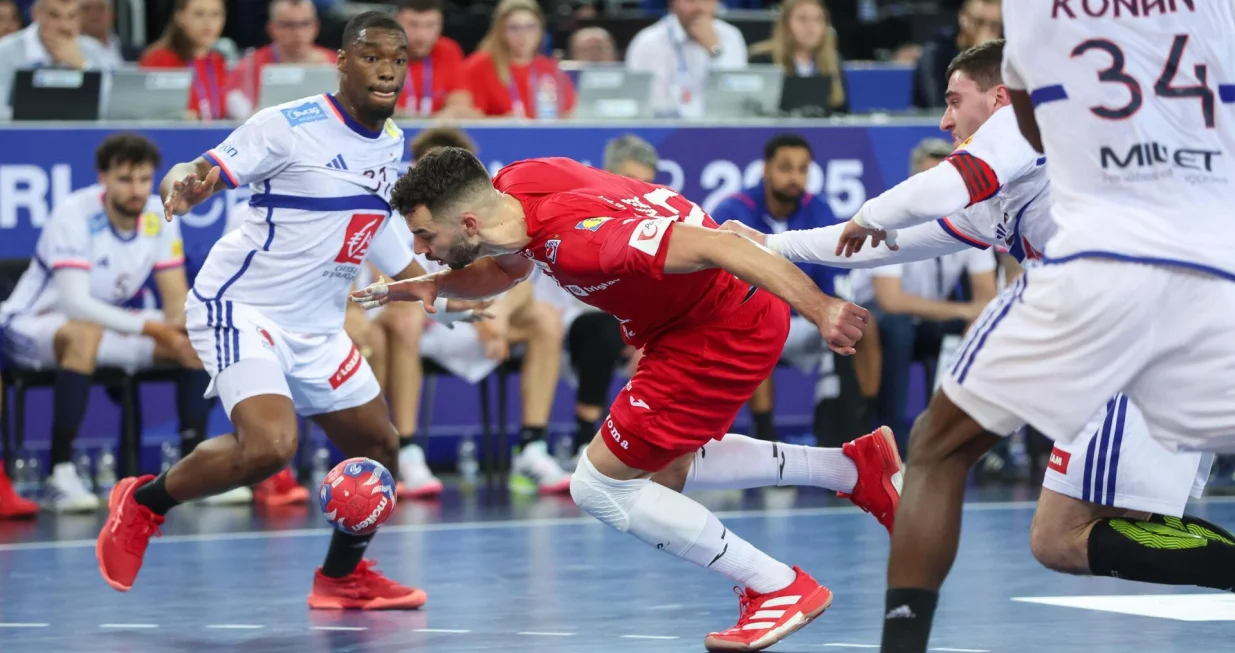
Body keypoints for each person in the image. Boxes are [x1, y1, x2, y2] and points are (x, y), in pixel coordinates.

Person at [729, 26, 1235, 650]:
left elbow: (933, 192)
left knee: (970, 469)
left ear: (998, 97)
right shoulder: (1019, 173)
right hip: (1147, 313)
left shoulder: (1030, 115)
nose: (944, 120)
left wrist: (871, 211)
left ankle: (903, 639)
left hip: (1141, 317)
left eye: (952, 99)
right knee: (1060, 537)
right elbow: (889, 244)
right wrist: (768, 245)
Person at [354, 149, 901, 651]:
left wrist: (820, 307)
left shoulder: (584, 245)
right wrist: (436, 285)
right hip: (686, 324)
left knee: (597, 487)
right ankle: (852, 470)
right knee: (660, 473)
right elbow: (506, 266)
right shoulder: (515, 185)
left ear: (468, 223)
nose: (420, 251)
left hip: (722, 328)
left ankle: (777, 588)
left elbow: (721, 245)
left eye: (425, 237)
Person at [94, 11, 481, 609]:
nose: (386, 71)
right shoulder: (287, 124)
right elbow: (208, 170)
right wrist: (187, 176)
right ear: (343, 61)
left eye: (397, 59)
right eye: (372, 57)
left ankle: (341, 578)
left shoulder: (393, 142)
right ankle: (144, 503)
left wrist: (429, 288)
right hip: (242, 307)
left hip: (318, 325)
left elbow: (375, 229)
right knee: (270, 446)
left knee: (379, 448)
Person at [0, 134, 211, 512]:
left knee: (197, 338)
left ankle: (193, 470)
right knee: (85, 333)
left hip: (108, 326)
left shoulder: (158, 214)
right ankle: (59, 475)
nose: (136, 190)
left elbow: (175, 302)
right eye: (125, 179)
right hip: (31, 325)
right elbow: (74, 303)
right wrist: (154, 329)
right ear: (103, 178)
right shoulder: (73, 214)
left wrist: (179, 331)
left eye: (144, 180)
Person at [712, 133, 868, 446]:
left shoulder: (819, 209)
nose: (795, 177)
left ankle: (861, 430)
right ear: (766, 170)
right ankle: (766, 436)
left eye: (802, 169)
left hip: (807, 322)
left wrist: (828, 315)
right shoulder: (734, 210)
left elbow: (833, 279)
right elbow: (730, 287)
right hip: (754, 322)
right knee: (758, 324)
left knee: (864, 327)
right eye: (785, 168)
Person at [867, 138, 997, 453]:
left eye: (945, 180)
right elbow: (890, 299)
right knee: (898, 330)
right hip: (878, 321)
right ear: (913, 183)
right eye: (929, 179)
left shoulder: (972, 219)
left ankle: (967, 439)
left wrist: (973, 319)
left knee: (987, 326)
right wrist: (966, 310)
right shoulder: (890, 217)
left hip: (930, 321)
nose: (937, 190)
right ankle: (894, 443)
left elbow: (988, 298)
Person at [625, 0, 747, 118]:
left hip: (719, 129)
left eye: (706, 1)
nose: (699, 8)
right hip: (666, 130)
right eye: (690, 1)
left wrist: (714, 51)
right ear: (672, 3)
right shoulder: (647, 42)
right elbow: (640, 103)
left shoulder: (731, 37)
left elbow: (736, 98)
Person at [0, 0, 117, 121]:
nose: (64, 26)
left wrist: (83, 66)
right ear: (36, 14)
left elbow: (111, 109)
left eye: (72, 16)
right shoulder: (4, 52)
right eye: (54, 16)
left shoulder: (92, 50)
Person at [222, 0, 337, 119]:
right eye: (288, 25)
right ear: (272, 28)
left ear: (316, 27)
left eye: (305, 23)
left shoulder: (337, 64)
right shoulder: (250, 66)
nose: (298, 32)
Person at [462, 0, 575, 119]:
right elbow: (468, 117)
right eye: (514, 28)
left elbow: (569, 114)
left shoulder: (550, 68)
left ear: (541, 30)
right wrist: (501, 122)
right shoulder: (479, 65)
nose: (523, 34)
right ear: (501, 31)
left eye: (530, 27)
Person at [748, 0, 847, 114]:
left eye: (817, 20)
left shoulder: (834, 62)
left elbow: (841, 110)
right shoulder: (763, 59)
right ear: (785, 24)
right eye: (802, 19)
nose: (810, 27)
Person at [138, 0, 228, 121]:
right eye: (199, 14)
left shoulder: (218, 62)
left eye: (215, 14)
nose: (208, 23)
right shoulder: (159, 60)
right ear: (180, 17)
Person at [392, 0, 476, 118]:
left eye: (430, 25)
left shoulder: (448, 50)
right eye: (413, 25)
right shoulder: (377, 53)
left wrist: (452, 113)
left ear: (441, 25)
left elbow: (461, 101)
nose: (421, 35)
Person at [911, 0, 1000, 109]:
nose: (987, 32)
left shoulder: (1004, 53)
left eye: (994, 25)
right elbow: (937, 106)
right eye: (980, 22)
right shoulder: (937, 53)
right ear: (963, 18)